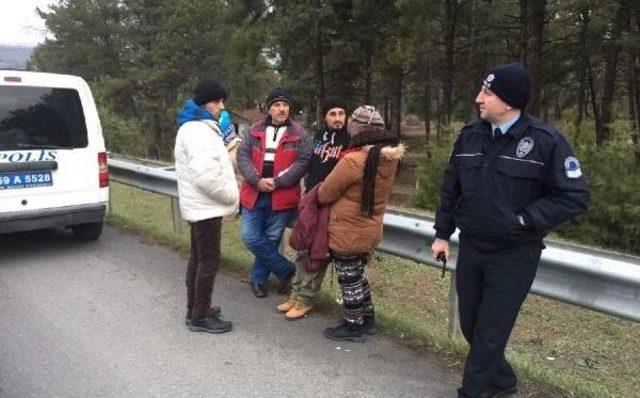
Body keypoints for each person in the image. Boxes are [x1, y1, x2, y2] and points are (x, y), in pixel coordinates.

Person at [430, 63, 590, 398]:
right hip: (473, 247)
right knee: (472, 326)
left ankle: (473, 391)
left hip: (515, 254)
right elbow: (451, 189)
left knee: (490, 333)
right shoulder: (470, 136)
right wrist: (442, 234)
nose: (478, 99)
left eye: (487, 93)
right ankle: (502, 381)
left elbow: (574, 196)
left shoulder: (545, 141)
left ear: (509, 100)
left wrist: (524, 221)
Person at [317, 105, 405, 342]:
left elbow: (326, 193)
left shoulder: (354, 160)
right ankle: (368, 319)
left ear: (357, 129)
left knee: (348, 278)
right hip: (370, 228)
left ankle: (353, 325)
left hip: (347, 229)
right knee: (357, 275)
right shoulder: (389, 158)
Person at [174, 79, 239, 334]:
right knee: (208, 262)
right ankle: (200, 315)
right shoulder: (199, 132)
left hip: (200, 208)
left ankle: (195, 309)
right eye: (216, 101)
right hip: (206, 209)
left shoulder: (192, 127)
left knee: (199, 259)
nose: (221, 107)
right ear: (203, 103)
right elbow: (206, 177)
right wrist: (232, 196)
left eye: (222, 101)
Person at [277, 96, 351, 320]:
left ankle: (306, 299)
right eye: (333, 114)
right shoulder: (319, 137)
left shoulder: (349, 140)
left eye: (341, 114)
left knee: (316, 253)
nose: (338, 118)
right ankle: (296, 293)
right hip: (310, 201)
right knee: (301, 248)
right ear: (325, 117)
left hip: (329, 205)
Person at [237, 87, 312, 298]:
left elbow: (303, 162)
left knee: (270, 239)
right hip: (254, 193)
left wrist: (277, 182)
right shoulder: (254, 130)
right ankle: (286, 270)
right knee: (250, 237)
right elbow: (243, 156)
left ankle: (258, 280)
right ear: (269, 109)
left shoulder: (300, 134)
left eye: (285, 105)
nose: (282, 109)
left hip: (282, 196)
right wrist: (257, 180)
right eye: (277, 105)